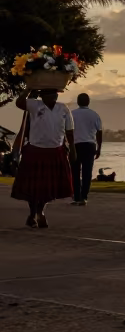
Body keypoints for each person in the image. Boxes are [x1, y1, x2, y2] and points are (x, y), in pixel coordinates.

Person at [10, 89, 75, 228]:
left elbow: (69, 130)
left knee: (48, 188)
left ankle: (41, 212)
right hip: (35, 150)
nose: (54, 96)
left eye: (55, 94)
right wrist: (28, 89)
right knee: (33, 187)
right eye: (50, 94)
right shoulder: (34, 105)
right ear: (43, 96)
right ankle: (33, 213)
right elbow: (19, 102)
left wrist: (73, 149)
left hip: (55, 152)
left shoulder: (63, 108)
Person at [70, 93, 102, 206]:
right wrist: (99, 148)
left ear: (78, 102)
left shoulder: (72, 114)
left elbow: (66, 130)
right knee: (87, 172)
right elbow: (99, 132)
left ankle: (76, 197)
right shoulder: (94, 115)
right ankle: (84, 197)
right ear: (88, 102)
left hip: (75, 145)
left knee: (74, 172)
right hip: (89, 145)